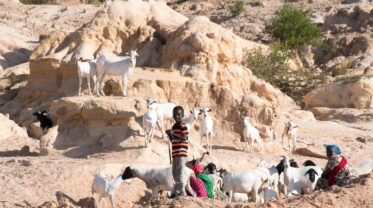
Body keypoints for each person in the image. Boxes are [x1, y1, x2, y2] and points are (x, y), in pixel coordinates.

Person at [166, 106, 189, 198]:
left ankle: (181, 191)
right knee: (174, 172)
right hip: (175, 153)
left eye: (179, 114)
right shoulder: (174, 126)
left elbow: (184, 138)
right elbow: (173, 140)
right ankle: (177, 191)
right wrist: (170, 135)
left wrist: (173, 134)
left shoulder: (183, 126)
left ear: (183, 115)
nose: (177, 116)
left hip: (181, 152)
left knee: (179, 172)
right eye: (175, 114)